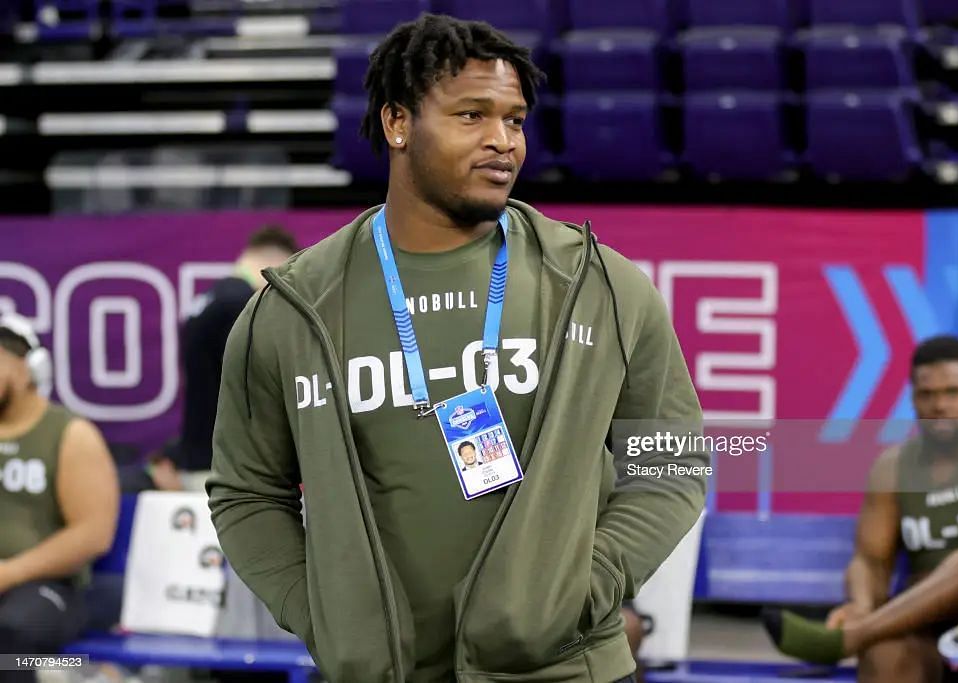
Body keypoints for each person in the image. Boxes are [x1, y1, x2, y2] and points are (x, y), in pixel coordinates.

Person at [208, 13, 707, 683]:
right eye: (472, 115)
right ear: (398, 123)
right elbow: (246, 492)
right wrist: (322, 611)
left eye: (515, 120)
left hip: (565, 669)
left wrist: (584, 588)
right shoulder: (294, 308)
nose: (502, 141)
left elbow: (672, 457)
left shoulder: (599, 286)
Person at [766, 335, 958, 682]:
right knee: (883, 655)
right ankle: (866, 634)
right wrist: (861, 603)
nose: (941, 406)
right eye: (927, 395)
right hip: (926, 628)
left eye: (953, 392)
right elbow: (870, 561)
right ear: (912, 398)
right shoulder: (892, 467)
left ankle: (850, 640)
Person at [0, 313, 119, 680]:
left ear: (27, 369)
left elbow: (93, 534)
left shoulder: (70, 434)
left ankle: (77, 672)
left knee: (11, 639)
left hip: (49, 588)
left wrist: (8, 572)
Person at [148, 226, 299, 492]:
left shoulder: (209, 300)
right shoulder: (241, 305)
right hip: (228, 467)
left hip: (203, 459)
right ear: (277, 265)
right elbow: (257, 388)